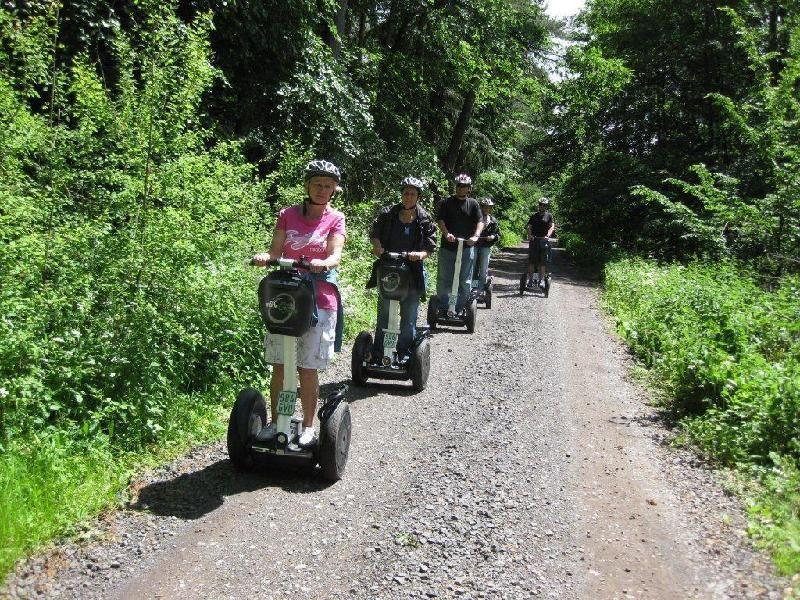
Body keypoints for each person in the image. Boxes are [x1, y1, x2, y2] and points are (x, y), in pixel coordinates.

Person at [251, 159, 346, 447]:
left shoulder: (336, 218)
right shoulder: (287, 214)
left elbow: (335, 254)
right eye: (317, 183)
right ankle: (278, 421)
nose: (322, 189)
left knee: (306, 367)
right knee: (280, 365)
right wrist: (266, 257)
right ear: (307, 185)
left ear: (333, 190)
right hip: (286, 298)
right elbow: (275, 250)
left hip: (319, 299)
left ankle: (307, 426)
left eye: (327, 186)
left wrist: (324, 262)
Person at [367, 176, 437, 362]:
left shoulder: (424, 219)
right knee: (384, 313)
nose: (408, 197)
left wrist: (420, 254)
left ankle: (404, 353)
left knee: (409, 315)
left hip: (412, 272)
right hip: (389, 269)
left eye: (413, 194)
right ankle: (380, 352)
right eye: (406, 193)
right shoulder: (388, 214)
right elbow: (375, 234)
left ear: (418, 197)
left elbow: (430, 247)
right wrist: (377, 246)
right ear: (401, 194)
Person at [435, 173, 483, 314]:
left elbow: (480, 221)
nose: (461, 188)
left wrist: (476, 236)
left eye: (464, 186)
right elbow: (440, 220)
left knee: (464, 280)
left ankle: (460, 307)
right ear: (456, 187)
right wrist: (446, 233)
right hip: (448, 247)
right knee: (445, 278)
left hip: (467, 247)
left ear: (469, 188)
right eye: (459, 186)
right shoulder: (447, 202)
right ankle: (444, 307)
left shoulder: (473, 203)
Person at [525, 196, 555, 288]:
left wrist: (548, 235)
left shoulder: (549, 216)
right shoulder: (534, 216)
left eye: (544, 205)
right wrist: (530, 235)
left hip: (544, 240)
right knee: (532, 261)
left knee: (543, 262)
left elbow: (552, 227)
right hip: (534, 240)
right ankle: (530, 280)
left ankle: (541, 280)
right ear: (539, 205)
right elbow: (529, 226)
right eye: (541, 205)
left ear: (546, 206)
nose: (542, 206)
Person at [474, 197, 500, 297]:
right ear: (481, 207)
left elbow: (497, 235)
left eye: (489, 208)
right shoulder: (475, 218)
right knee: (473, 268)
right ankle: (473, 288)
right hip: (474, 246)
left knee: (483, 269)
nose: (487, 209)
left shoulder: (493, 221)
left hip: (486, 247)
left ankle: (480, 290)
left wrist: (493, 237)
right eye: (485, 207)